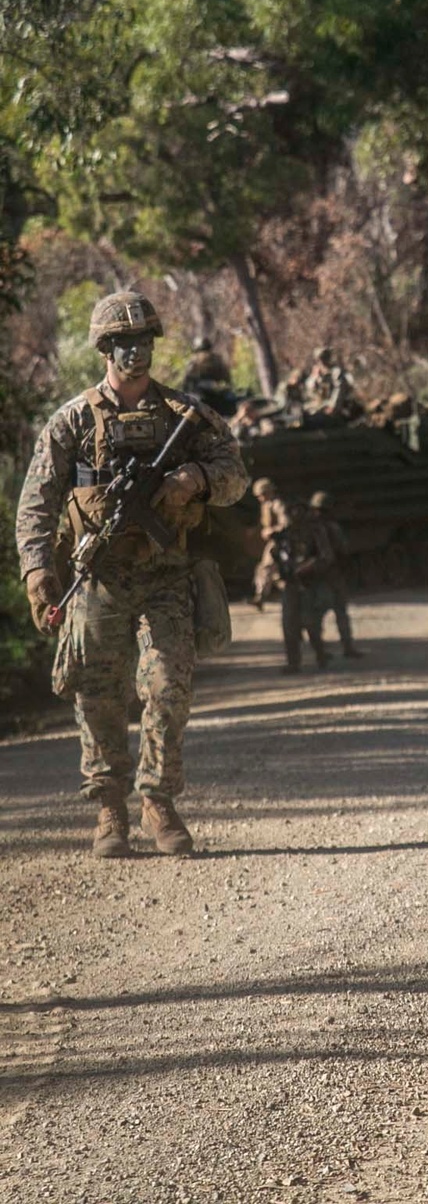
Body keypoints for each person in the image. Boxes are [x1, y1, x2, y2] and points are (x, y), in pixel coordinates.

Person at [16, 291, 249, 859]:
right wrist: (37, 572)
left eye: (143, 341)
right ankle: (108, 808)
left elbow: (237, 473)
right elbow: (35, 504)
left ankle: (158, 801)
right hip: (97, 580)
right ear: (104, 348)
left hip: (166, 576)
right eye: (122, 343)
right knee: (97, 695)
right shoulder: (73, 420)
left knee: (169, 685)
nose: (134, 353)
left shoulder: (184, 415)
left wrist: (193, 476)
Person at [277, 492, 363, 672]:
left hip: (312, 582)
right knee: (289, 624)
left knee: (312, 622)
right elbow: (276, 555)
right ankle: (294, 663)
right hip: (293, 584)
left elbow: (327, 556)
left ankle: (323, 653)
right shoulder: (285, 534)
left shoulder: (316, 532)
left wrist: (307, 567)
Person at [251, 477, 289, 610]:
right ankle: (290, 593)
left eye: (262, 495)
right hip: (273, 542)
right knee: (274, 574)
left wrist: (271, 531)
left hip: (280, 542)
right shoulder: (265, 506)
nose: (260, 498)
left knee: (266, 568)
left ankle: (260, 597)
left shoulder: (277, 504)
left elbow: (285, 523)